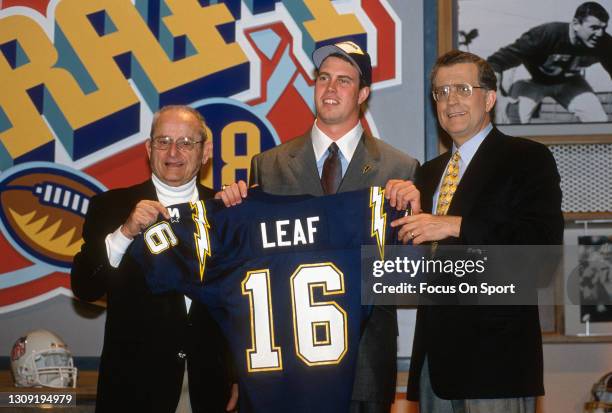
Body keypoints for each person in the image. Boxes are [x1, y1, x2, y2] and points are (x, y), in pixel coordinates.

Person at [218, 41, 420, 413]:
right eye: (323, 77)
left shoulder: (400, 169)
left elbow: (405, 278)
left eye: (344, 80)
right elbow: (244, 276)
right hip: (282, 362)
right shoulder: (269, 165)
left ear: (363, 93)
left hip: (364, 364)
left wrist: (414, 225)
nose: (330, 88)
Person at [393, 50, 564, 412]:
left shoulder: (527, 158)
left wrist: (457, 225)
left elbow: (542, 255)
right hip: (433, 365)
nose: (450, 100)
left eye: (462, 88)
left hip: (495, 362)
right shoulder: (427, 174)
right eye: (441, 92)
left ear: (489, 97)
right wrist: (398, 216)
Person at [71, 106, 236, 413]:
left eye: (186, 142)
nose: (173, 152)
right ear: (149, 149)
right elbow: (84, 287)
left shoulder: (225, 211)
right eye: (163, 141)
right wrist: (124, 232)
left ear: (206, 152)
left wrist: (238, 375)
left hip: (209, 389)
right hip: (134, 390)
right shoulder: (111, 207)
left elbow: (240, 305)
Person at [487, 1, 612, 124]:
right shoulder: (546, 34)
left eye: (603, 28)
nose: (600, 34)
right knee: (513, 121)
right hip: (532, 80)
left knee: (598, 119)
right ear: (575, 24)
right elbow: (495, 62)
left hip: (569, 82)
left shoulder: (604, 43)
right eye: (594, 28)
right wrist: (498, 98)